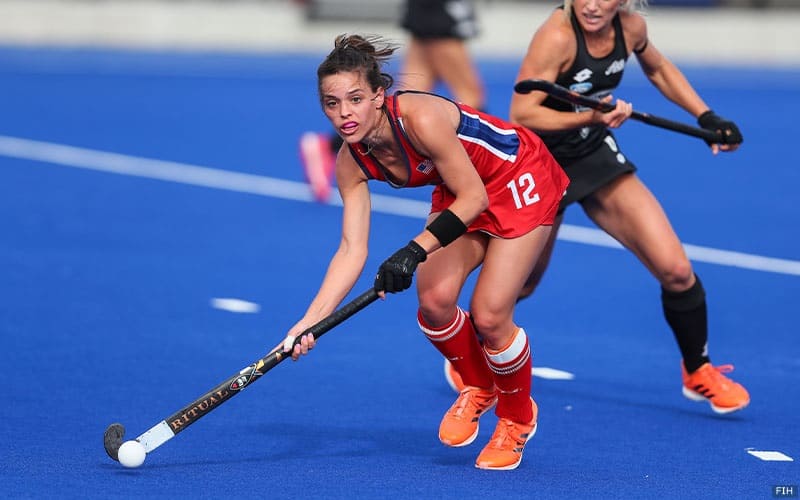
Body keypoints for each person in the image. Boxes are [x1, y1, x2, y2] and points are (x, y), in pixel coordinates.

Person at [280, 34, 570, 470]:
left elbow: (474, 199)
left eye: (355, 99)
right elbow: (350, 248)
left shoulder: (420, 118)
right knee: (434, 303)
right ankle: (479, 385)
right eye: (331, 103)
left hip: (517, 178)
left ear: (380, 96)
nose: (344, 114)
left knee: (490, 315)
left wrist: (412, 251)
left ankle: (516, 418)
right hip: (460, 187)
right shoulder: (351, 161)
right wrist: (311, 321)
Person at [446, 0, 749, 415]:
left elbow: (658, 68)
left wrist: (706, 115)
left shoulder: (632, 27)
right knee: (522, 285)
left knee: (676, 271)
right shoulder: (557, 35)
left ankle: (698, 371)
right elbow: (524, 112)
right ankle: (474, 357)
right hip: (537, 162)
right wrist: (590, 116)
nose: (591, 5)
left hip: (592, 154)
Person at [299, 0, 486, 203]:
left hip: (429, 10)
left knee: (412, 93)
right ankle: (480, 181)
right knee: (470, 96)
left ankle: (326, 147)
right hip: (439, 9)